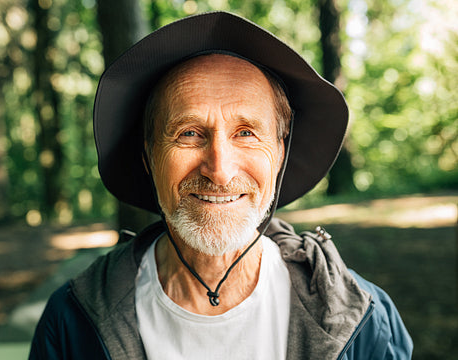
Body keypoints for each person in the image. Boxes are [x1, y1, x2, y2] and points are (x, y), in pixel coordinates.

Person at [29, 12, 412, 359]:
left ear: (279, 153)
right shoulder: (73, 321)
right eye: (190, 133)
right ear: (149, 158)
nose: (220, 170)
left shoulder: (360, 315)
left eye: (246, 133)